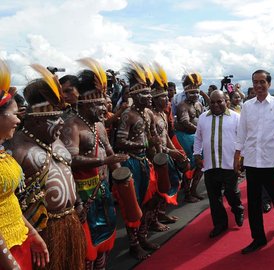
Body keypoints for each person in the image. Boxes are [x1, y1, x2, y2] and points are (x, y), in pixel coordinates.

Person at [9, 64, 86, 269]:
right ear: (34, 121)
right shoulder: (17, 150)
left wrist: (77, 201)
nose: (60, 122)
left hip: (69, 222)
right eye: (53, 118)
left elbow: (67, 172)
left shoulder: (56, 140)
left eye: (60, 115)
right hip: (42, 231)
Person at [60, 58, 128, 269]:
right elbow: (71, 160)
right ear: (85, 102)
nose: (104, 106)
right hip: (82, 193)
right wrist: (104, 161)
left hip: (103, 187)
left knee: (106, 236)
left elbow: (109, 151)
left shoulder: (98, 126)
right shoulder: (71, 124)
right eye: (98, 103)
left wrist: (122, 176)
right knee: (87, 242)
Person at [234, 70, 274, 254]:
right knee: (254, 201)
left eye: (262, 82)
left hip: (270, 160)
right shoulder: (247, 106)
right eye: (255, 82)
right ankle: (258, 238)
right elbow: (241, 132)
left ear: (268, 83)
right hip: (252, 160)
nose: (258, 86)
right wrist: (237, 156)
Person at [0, 61, 49, 270]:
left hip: (18, 240)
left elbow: (9, 201)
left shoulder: (3, 152)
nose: (18, 121)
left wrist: (33, 234)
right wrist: (8, 261)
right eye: (14, 114)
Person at [115, 61, 161, 260]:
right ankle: (133, 244)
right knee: (133, 205)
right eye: (145, 94)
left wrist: (156, 142)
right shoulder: (128, 115)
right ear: (134, 95)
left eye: (150, 93)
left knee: (148, 201)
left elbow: (151, 137)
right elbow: (120, 141)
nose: (149, 97)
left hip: (144, 162)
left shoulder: (148, 113)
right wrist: (141, 145)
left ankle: (142, 237)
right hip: (131, 162)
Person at [194, 91, 244, 238]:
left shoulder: (236, 117)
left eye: (219, 102)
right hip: (210, 165)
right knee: (214, 198)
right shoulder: (203, 118)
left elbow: (243, 139)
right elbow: (198, 138)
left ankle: (238, 208)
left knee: (231, 192)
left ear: (226, 101)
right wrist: (197, 153)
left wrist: (241, 159)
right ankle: (220, 224)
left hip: (230, 164)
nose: (215, 105)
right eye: (212, 102)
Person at [149, 65, 188, 228]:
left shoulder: (162, 114)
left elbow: (165, 136)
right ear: (156, 99)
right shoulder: (150, 115)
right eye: (164, 97)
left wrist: (176, 151)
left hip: (167, 155)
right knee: (156, 192)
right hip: (155, 158)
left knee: (169, 185)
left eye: (167, 96)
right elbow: (153, 142)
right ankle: (153, 220)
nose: (168, 99)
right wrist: (171, 152)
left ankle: (161, 215)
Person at [175, 73, 205, 203]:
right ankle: (187, 193)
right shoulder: (182, 106)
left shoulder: (199, 104)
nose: (195, 95)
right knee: (190, 165)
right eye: (192, 93)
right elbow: (185, 123)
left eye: (196, 92)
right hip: (186, 137)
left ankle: (193, 190)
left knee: (201, 164)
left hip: (197, 137)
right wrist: (200, 131)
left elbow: (203, 118)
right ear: (186, 93)